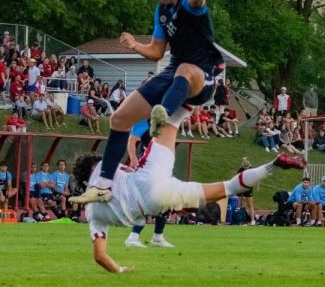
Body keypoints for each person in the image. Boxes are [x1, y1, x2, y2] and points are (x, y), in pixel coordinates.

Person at [72, 109, 305, 273]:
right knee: (176, 116)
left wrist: (120, 270)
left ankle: (149, 230)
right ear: (95, 162)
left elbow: (100, 256)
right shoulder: (105, 165)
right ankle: (272, 165)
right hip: (148, 176)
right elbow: (123, 153)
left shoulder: (92, 213)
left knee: (228, 189)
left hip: (152, 203)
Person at [74, 0, 223, 206]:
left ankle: (161, 114)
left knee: (185, 69)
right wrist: (134, 45)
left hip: (203, 74)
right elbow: (156, 51)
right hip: (176, 71)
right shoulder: (161, 11)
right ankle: (103, 186)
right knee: (119, 118)